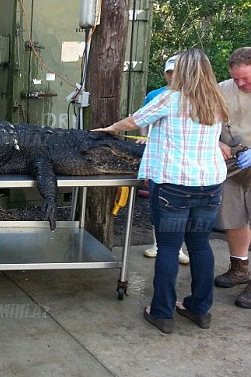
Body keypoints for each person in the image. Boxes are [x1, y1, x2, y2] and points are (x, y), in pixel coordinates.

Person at [94, 48, 228, 334]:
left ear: (182, 71)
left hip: (175, 186)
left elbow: (135, 121)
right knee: (201, 246)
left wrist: (110, 128)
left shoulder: (171, 97)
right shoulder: (216, 99)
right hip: (210, 185)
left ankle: (162, 313)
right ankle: (200, 310)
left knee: (168, 247)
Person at [139, 55, 190, 264]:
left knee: (183, 210)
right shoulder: (155, 94)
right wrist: (143, 138)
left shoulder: (194, 95)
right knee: (157, 204)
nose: (172, 76)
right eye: (169, 72)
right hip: (158, 159)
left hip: (183, 163)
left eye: (175, 71)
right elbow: (141, 117)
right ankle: (157, 244)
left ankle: (179, 248)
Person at [215, 47, 251, 309]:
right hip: (230, 163)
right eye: (236, 78)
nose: (240, 84)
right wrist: (215, 141)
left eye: (246, 79)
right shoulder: (222, 89)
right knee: (233, 217)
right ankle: (239, 267)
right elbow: (204, 120)